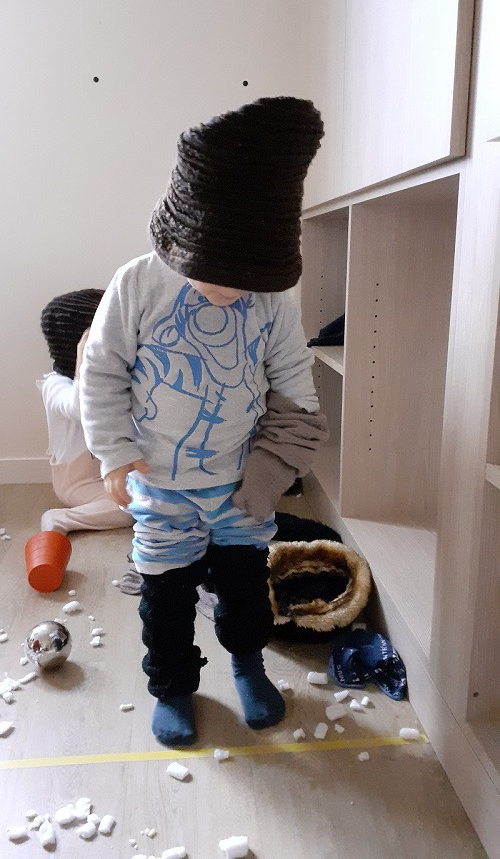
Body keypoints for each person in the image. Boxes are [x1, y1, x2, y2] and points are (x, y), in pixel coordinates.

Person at [80, 96, 328, 746]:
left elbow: (296, 390)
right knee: (165, 600)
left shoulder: (272, 300)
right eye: (217, 276)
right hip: (161, 486)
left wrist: (271, 472)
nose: (232, 291)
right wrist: (114, 452)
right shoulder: (137, 284)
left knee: (245, 592)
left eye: (247, 280)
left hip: (239, 484)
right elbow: (101, 371)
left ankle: (248, 665)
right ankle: (173, 687)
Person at [35, 289, 140, 593]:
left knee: (158, 496)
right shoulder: (55, 385)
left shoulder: (114, 381)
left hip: (112, 469)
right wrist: (87, 361)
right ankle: (60, 519)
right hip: (79, 481)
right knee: (133, 508)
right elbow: (82, 410)